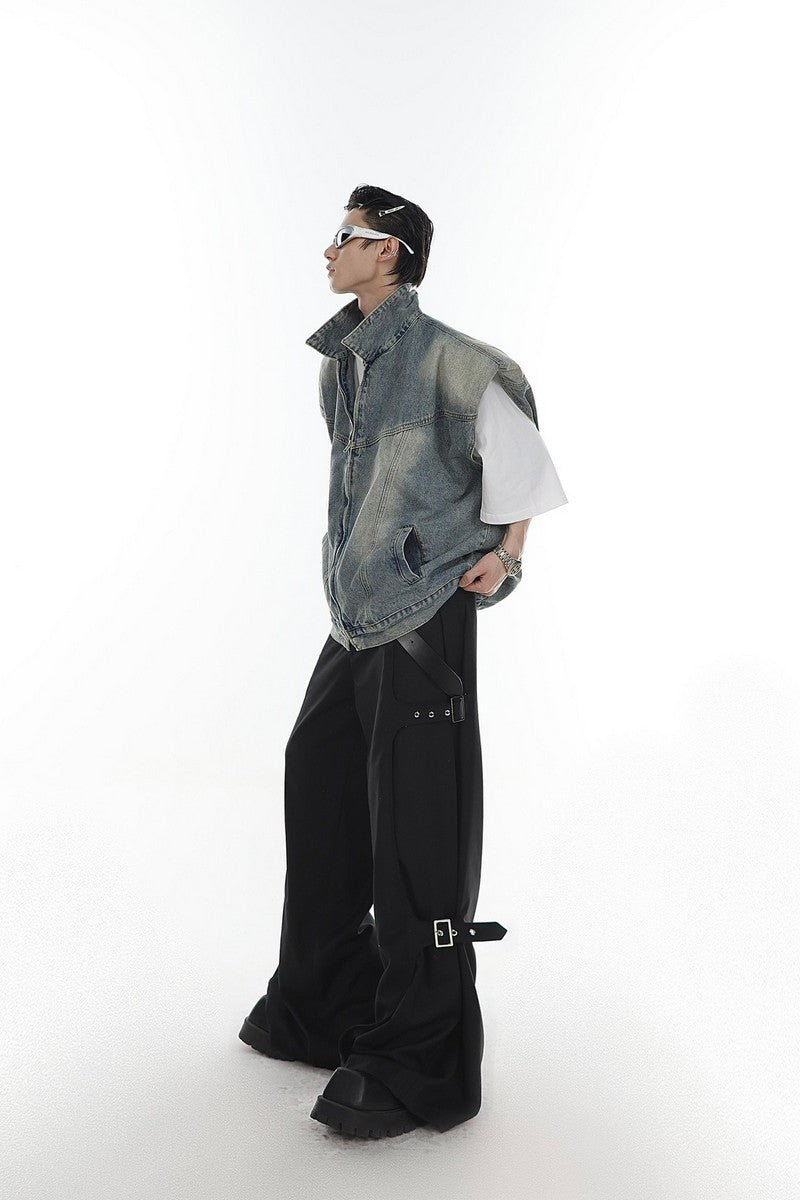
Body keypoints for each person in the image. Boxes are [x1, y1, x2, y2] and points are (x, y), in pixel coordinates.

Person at [239, 185, 567, 1138]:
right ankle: (324, 997)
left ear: (389, 253)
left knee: (420, 824)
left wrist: (507, 557)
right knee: (320, 777)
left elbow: (522, 470)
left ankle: (420, 1054)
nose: (329, 250)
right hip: (354, 614)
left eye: (345, 236)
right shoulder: (343, 365)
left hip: (424, 616)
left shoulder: (459, 363)